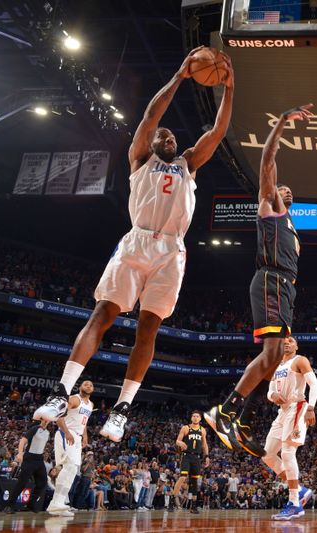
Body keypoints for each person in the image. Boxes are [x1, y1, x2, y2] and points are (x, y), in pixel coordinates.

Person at [33, 47, 235, 442]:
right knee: (103, 314)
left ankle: (122, 410)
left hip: (171, 251)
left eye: (172, 135)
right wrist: (179, 76)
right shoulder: (140, 157)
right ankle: (62, 391)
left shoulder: (188, 164)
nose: (168, 135)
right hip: (137, 241)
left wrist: (231, 86)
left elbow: (218, 132)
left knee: (149, 327)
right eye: (163, 134)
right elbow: (150, 117)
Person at [205, 104, 313, 456]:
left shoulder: (292, 227)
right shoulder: (270, 207)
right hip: (271, 281)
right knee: (271, 354)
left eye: (291, 191)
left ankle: (246, 419)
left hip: (284, 289)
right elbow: (267, 160)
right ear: (270, 193)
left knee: (275, 359)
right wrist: (282, 121)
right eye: (283, 188)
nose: (288, 191)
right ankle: (225, 411)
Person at [259, 336, 317, 520]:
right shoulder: (275, 365)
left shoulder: (299, 360)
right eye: (284, 341)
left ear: (296, 345)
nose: (287, 342)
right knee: (267, 454)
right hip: (282, 411)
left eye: (291, 341)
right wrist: (273, 396)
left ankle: (294, 504)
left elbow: (314, 384)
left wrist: (311, 408)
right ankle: (299, 490)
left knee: (287, 453)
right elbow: (269, 391)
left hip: (298, 406)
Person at [47, 380, 94, 516]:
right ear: (80, 387)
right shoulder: (74, 399)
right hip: (67, 432)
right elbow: (59, 414)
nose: (88, 386)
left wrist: (84, 436)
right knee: (71, 467)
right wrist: (67, 432)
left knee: (72, 469)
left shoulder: (91, 404)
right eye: (86, 384)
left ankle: (57, 503)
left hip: (77, 436)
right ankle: (57, 502)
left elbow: (84, 421)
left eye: (91, 385)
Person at [3, 419, 69, 514]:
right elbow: (23, 441)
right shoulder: (35, 429)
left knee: (42, 482)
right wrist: (20, 454)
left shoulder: (47, 432)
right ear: (41, 419)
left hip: (39, 459)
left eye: (48, 420)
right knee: (22, 482)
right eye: (45, 419)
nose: (47, 421)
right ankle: (9, 506)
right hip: (29, 458)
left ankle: (31, 504)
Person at [170, 412, 210, 513]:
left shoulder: (202, 430)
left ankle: (193, 505)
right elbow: (177, 441)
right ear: (191, 418)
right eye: (194, 416)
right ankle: (172, 500)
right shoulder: (185, 428)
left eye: (197, 416)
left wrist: (207, 456)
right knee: (183, 477)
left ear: (200, 419)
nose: (195, 418)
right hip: (186, 455)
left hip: (197, 457)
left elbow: (204, 445)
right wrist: (181, 443)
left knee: (194, 481)